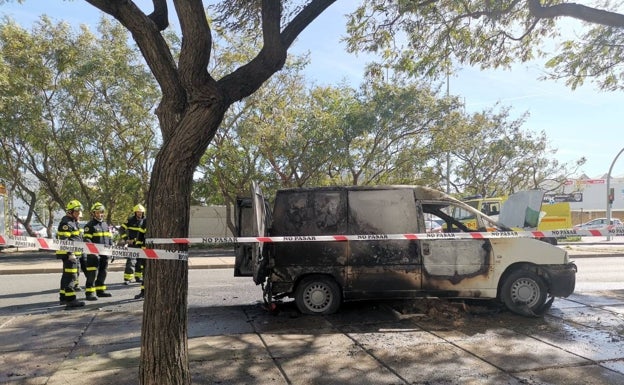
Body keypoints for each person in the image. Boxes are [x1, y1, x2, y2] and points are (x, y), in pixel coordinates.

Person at [56, 199, 85, 309]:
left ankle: (63, 298)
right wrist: (71, 253)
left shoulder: (73, 222)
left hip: (73, 254)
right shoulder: (66, 223)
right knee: (71, 276)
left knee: (66, 276)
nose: (78, 213)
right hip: (69, 255)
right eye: (76, 211)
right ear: (70, 212)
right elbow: (65, 240)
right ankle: (71, 300)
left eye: (79, 211)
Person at [82, 202, 113, 300]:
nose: (100, 214)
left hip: (105, 253)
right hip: (93, 255)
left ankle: (100, 290)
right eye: (97, 212)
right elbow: (87, 240)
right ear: (93, 213)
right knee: (92, 273)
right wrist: (93, 252)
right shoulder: (89, 225)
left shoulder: (105, 225)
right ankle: (89, 293)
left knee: (103, 272)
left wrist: (113, 251)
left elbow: (109, 239)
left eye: (101, 212)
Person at [120, 204, 147, 299]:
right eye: (138, 212)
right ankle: (127, 278)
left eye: (141, 212)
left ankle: (138, 277)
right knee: (131, 260)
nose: (139, 213)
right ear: (135, 212)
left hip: (140, 243)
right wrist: (126, 239)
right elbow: (122, 229)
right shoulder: (130, 220)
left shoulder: (145, 220)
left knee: (140, 261)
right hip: (132, 243)